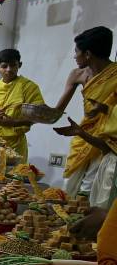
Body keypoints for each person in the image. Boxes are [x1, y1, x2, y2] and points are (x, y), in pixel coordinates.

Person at [52, 26, 117, 207]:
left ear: (87, 54)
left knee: (93, 189)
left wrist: (104, 109)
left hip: (108, 138)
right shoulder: (77, 74)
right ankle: (64, 226)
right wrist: (29, 115)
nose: (74, 56)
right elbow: (57, 111)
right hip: (83, 132)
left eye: (76, 52)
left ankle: (85, 228)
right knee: (68, 186)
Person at [0, 48, 45, 161]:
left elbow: (39, 115)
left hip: (14, 146)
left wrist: (13, 122)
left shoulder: (28, 87)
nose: (9, 69)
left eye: (13, 65)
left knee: (12, 176)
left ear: (20, 65)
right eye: (4, 66)